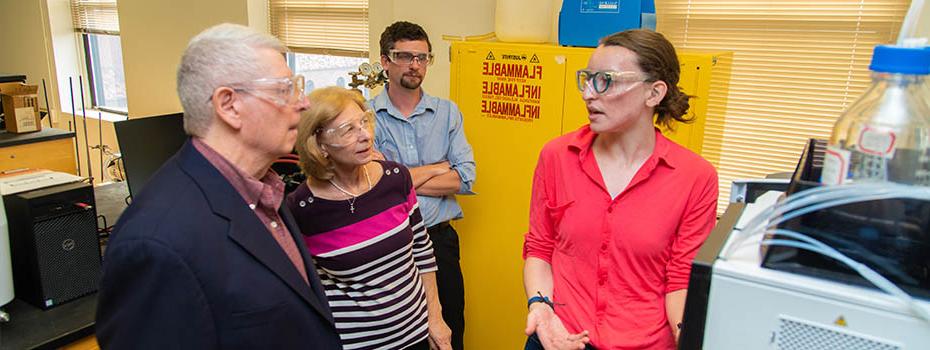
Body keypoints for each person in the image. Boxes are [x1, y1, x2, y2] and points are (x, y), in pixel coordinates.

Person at [95, 23, 341, 349]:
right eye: (285, 90)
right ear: (229, 105)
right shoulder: (155, 242)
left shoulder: (264, 189)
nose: (304, 103)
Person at [522, 29, 719, 350]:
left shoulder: (695, 177)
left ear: (653, 93)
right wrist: (540, 307)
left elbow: (681, 279)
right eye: (586, 79)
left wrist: (690, 340)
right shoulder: (557, 156)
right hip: (559, 336)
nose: (588, 93)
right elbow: (540, 248)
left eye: (606, 80)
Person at [287, 86, 452, 350]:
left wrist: (435, 317)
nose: (365, 136)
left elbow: (422, 250)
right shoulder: (302, 209)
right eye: (347, 130)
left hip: (416, 334)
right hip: (353, 344)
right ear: (319, 144)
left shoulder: (395, 178)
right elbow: (298, 288)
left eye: (363, 122)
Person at [371, 21, 476, 350]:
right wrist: (435, 168)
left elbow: (465, 178)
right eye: (405, 56)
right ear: (386, 61)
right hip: (389, 246)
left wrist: (398, 176)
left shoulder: (447, 113)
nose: (415, 65)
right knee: (399, 336)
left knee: (450, 328)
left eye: (422, 57)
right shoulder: (367, 116)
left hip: (440, 241)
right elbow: (373, 185)